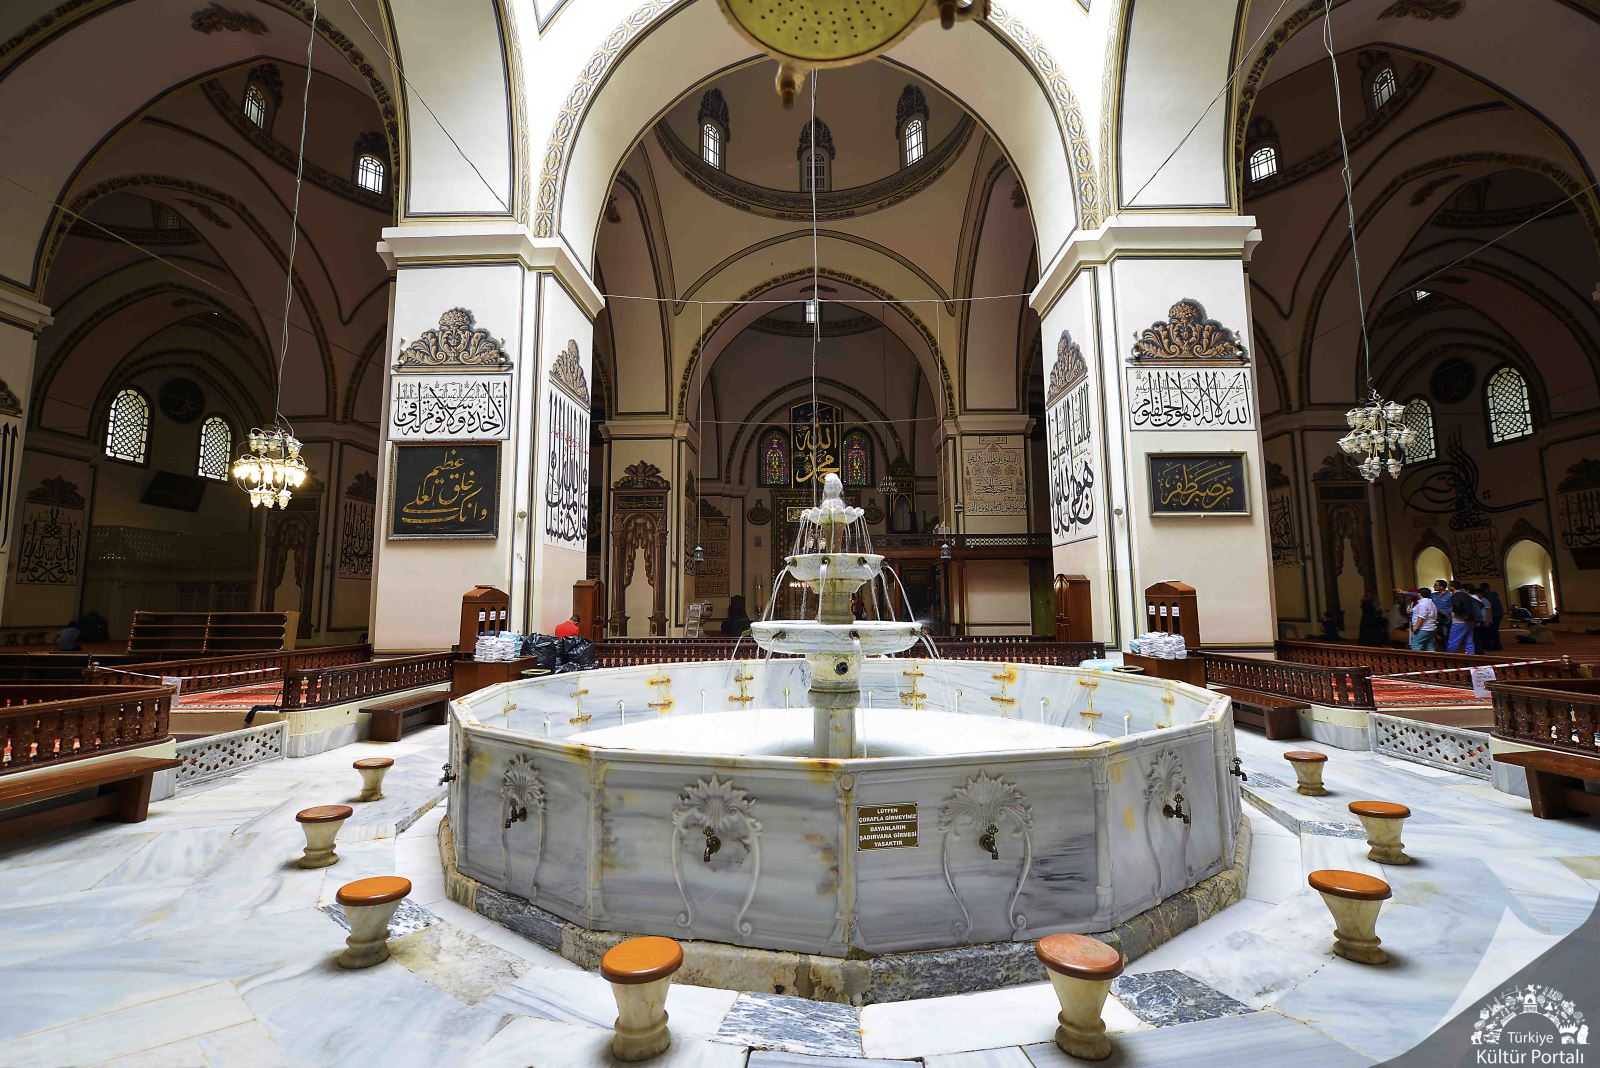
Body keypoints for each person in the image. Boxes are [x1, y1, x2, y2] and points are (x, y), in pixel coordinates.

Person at [1447, 579, 1480, 653]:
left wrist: (1461, 615)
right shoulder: (1466, 595)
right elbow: (1479, 604)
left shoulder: (1455, 595)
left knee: (1453, 642)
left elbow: (1457, 608)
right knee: (1469, 641)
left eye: (1448, 585)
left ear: (1452, 587)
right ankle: (1470, 656)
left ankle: (1450, 658)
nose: (1447, 587)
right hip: (1470, 621)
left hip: (1459, 622)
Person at [1477, 583, 1504, 651]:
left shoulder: (1487, 597)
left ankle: (1493, 646)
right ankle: (1496, 646)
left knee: (1490, 632)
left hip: (1493, 615)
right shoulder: (1493, 594)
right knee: (1494, 631)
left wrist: (1487, 620)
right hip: (1498, 614)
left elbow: (1489, 609)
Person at [1430, 580, 1454, 652]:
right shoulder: (1433, 595)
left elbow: (1453, 606)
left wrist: (1447, 613)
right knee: (1437, 634)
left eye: (1436, 585)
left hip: (1446, 619)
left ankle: (1447, 652)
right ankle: (1441, 650)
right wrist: (1404, 592)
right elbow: (1420, 594)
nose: (1434, 586)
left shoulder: (1450, 595)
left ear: (1442, 587)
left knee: (1445, 635)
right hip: (1436, 618)